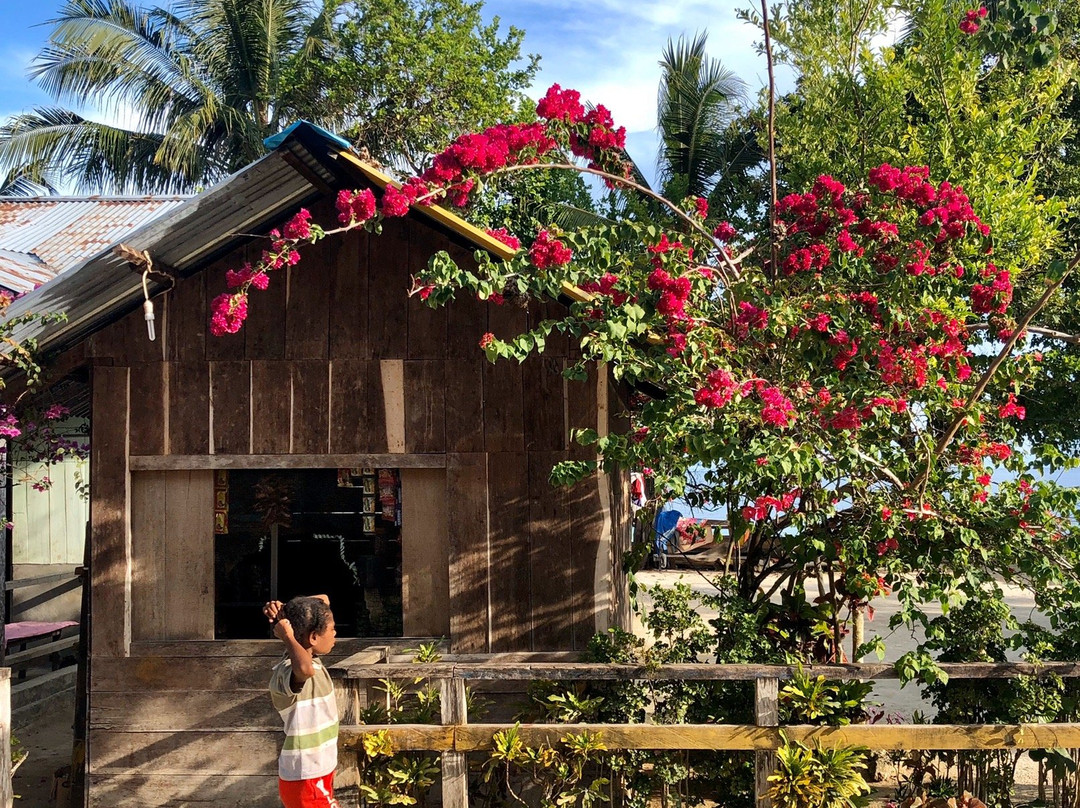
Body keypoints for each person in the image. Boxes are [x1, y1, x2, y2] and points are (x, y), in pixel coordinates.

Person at [263, 595, 340, 808]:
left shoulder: (309, 658)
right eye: (332, 628)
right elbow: (304, 670)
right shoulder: (289, 670)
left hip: (317, 771)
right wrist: (287, 636)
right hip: (305, 777)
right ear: (313, 637)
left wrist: (285, 610)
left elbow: (323, 597)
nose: (335, 633)